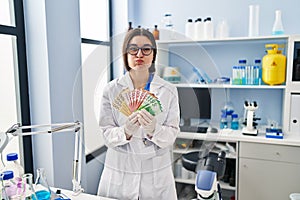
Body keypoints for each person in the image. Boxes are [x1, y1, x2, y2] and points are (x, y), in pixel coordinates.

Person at [97, 28, 180, 200]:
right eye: (133, 49)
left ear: (153, 54)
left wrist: (154, 130)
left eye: (146, 49)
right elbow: (106, 134)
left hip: (156, 178)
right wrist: (125, 131)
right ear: (126, 54)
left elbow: (172, 134)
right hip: (120, 175)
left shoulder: (169, 90)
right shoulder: (112, 90)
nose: (139, 54)